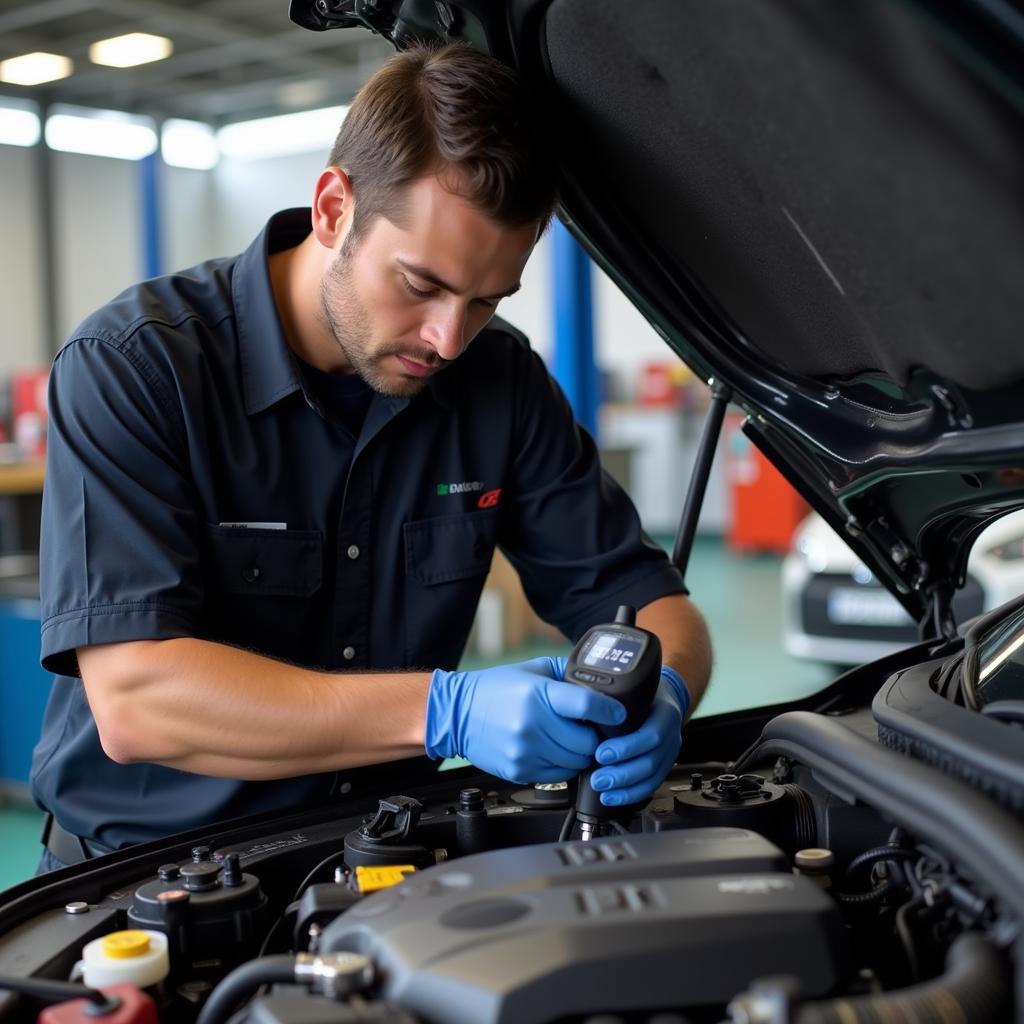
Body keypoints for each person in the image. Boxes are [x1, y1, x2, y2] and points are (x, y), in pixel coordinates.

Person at [32, 42, 711, 872]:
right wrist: (445, 712)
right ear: (331, 207)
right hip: (154, 878)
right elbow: (138, 701)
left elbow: (649, 604)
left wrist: (666, 690)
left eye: (487, 298)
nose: (448, 338)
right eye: (421, 284)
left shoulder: (500, 381)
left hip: (388, 862)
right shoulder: (136, 367)